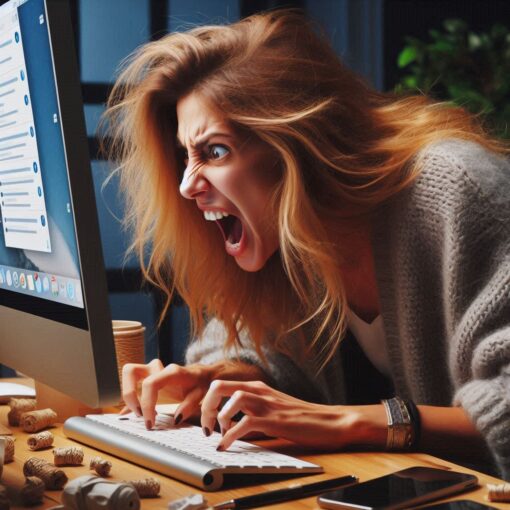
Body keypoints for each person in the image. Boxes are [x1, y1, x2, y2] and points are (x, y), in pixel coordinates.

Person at [103, 9, 510, 478]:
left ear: (295, 145)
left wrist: (342, 422)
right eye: (185, 156)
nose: (186, 186)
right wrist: (218, 381)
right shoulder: (284, 236)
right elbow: (254, 352)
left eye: (214, 151)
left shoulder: (456, 188)